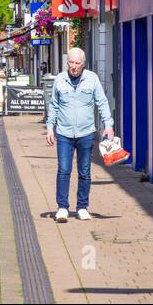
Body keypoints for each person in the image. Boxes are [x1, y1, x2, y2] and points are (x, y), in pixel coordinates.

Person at [44, 47, 114, 222]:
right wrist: (50, 127)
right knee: (64, 170)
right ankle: (62, 208)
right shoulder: (60, 80)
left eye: (76, 63)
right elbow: (53, 105)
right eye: (70, 62)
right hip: (64, 133)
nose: (73, 66)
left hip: (86, 133)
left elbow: (102, 102)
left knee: (84, 172)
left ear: (83, 64)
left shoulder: (92, 79)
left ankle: (82, 207)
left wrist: (108, 125)